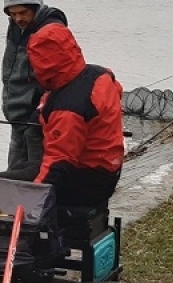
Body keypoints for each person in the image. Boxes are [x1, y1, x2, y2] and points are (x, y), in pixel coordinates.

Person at [25, 21, 125, 209]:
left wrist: (33, 201)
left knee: (6, 183)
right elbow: (114, 91)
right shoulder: (98, 74)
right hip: (108, 167)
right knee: (21, 173)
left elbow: (59, 162)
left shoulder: (69, 108)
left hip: (88, 178)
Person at [0, 0, 67, 183]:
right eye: (13, 14)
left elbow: (57, 80)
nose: (18, 18)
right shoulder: (17, 27)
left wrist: (38, 114)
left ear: (35, 7)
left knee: (34, 178)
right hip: (17, 117)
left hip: (36, 121)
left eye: (23, 12)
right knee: (15, 173)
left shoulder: (50, 32)